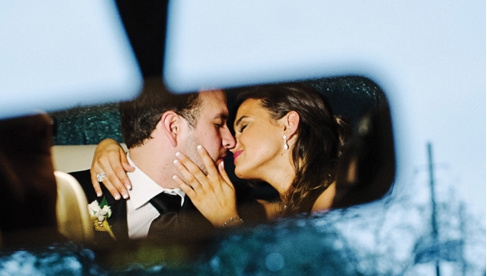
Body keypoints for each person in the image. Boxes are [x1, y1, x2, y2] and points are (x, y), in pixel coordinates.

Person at [92, 82, 348, 228]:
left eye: (243, 126)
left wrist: (227, 221)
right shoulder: (268, 208)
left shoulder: (334, 197)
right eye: (222, 125)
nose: (232, 142)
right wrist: (112, 147)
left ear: (287, 124)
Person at [73, 87, 241, 246]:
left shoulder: (234, 209)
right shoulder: (68, 193)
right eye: (218, 124)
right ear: (173, 127)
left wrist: (228, 223)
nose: (231, 141)